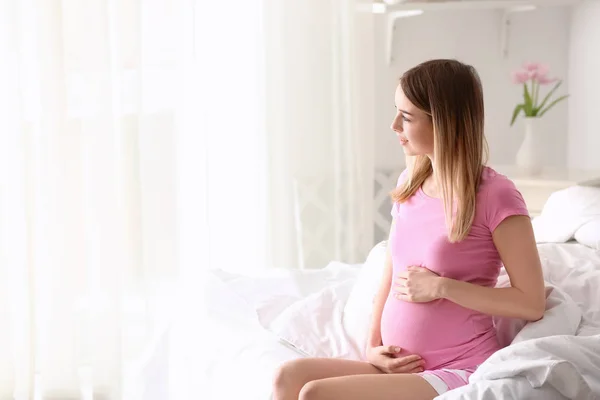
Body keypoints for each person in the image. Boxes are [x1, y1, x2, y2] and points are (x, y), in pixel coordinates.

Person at [272, 59, 546, 400]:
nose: (393, 125)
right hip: (400, 364)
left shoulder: (495, 194)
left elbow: (532, 302)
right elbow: (391, 269)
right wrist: (374, 345)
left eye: (406, 116)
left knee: (315, 393)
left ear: (443, 123)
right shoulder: (410, 183)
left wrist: (442, 287)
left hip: (456, 368)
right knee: (288, 377)